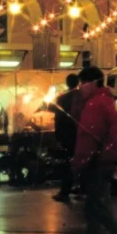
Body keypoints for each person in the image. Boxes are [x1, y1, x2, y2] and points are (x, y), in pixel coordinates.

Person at [72, 66, 117, 234]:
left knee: (98, 208)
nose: (81, 87)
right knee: (93, 208)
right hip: (106, 159)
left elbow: (88, 137)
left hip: (98, 161)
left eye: (83, 83)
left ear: (93, 83)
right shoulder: (106, 100)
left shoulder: (95, 104)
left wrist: (79, 162)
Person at [53, 73, 80, 203]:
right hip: (80, 133)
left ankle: (65, 191)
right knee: (81, 159)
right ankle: (81, 187)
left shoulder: (63, 97)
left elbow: (59, 116)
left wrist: (58, 135)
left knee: (68, 162)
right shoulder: (82, 96)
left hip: (68, 134)